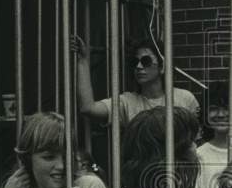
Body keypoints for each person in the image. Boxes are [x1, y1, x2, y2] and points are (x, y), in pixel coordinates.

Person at [71, 34, 200, 126]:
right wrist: (83, 61)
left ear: (162, 67)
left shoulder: (185, 99)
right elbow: (88, 108)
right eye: (135, 62)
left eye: (146, 61)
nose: (139, 67)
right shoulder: (127, 102)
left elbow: (196, 142)